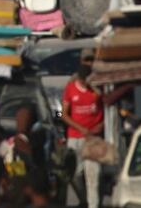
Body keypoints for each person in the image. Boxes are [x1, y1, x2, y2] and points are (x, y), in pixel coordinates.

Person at [62, 56, 103, 208]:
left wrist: (101, 125)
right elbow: (63, 114)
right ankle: (83, 200)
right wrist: (80, 128)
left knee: (94, 175)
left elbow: (107, 109)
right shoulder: (70, 89)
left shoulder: (97, 90)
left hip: (93, 139)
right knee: (76, 174)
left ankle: (94, 205)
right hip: (75, 138)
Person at [0, 105, 51, 205]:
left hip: (31, 187)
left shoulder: (37, 142)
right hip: (15, 188)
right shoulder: (8, 143)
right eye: (19, 118)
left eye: (25, 118)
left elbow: (39, 168)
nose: (21, 121)